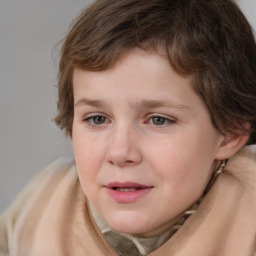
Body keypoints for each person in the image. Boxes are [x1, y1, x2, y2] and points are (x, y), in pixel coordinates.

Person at [1, 0, 256, 255]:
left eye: (158, 120)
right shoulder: (41, 207)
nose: (120, 153)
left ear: (229, 132)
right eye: (97, 119)